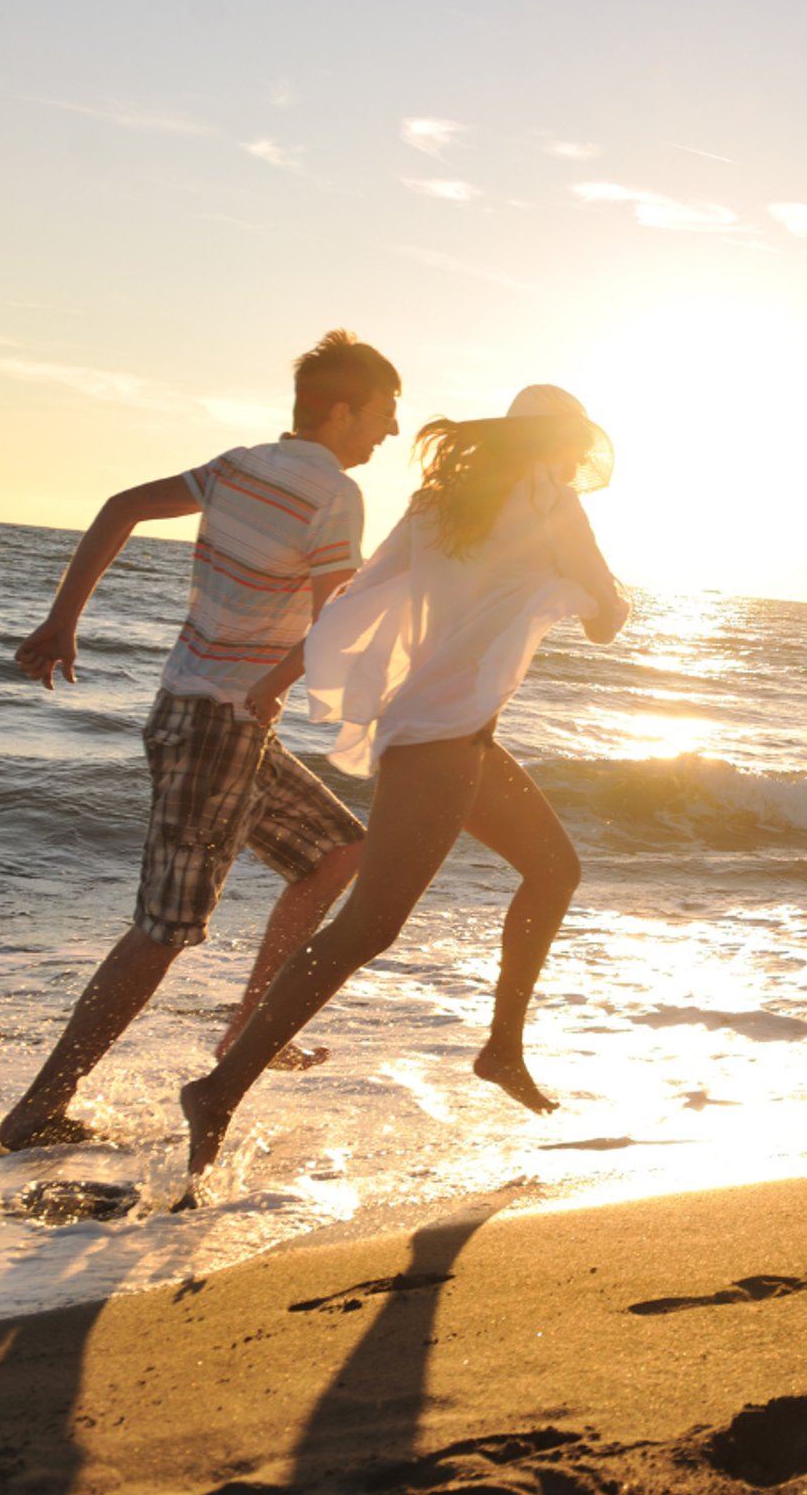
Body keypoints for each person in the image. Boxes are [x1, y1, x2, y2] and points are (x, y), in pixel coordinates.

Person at [179, 384, 629, 1186]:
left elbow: (358, 596)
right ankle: (219, 1089)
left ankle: (502, 1049)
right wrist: (584, 593)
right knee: (368, 929)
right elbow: (608, 617)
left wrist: (294, 675)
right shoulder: (553, 502)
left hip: (433, 729)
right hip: (443, 739)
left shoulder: (439, 501)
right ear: (557, 445)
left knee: (555, 868)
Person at [0, 331, 402, 1150]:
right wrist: (275, 684)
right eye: (384, 414)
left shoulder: (237, 464)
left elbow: (120, 507)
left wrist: (62, 619)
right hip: (218, 722)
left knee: (338, 854)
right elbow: (337, 625)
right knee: (165, 928)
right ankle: (37, 1111)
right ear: (339, 409)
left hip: (216, 719)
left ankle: (252, 1029)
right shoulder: (332, 494)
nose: (388, 434)